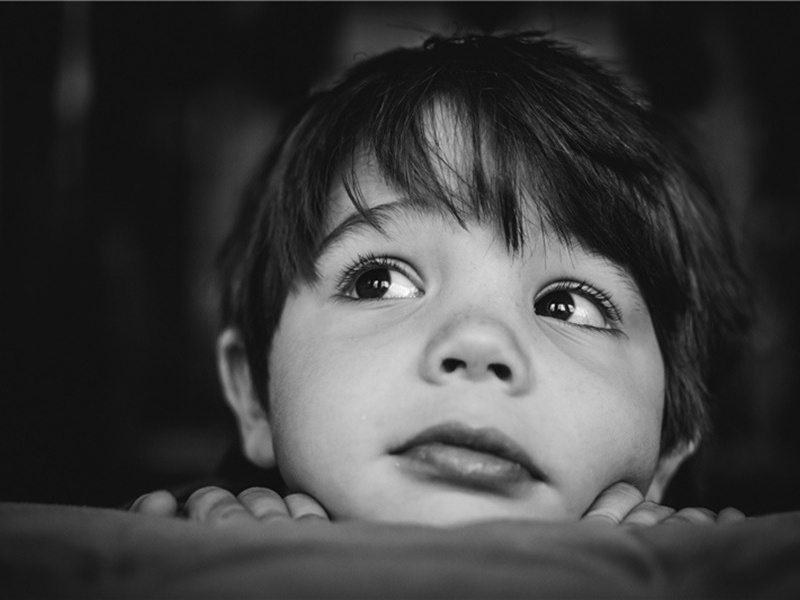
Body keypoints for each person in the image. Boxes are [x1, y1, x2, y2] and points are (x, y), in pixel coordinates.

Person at [131, 31, 749, 527]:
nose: (478, 343)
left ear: (671, 442)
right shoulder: (179, 556)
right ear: (253, 394)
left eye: (567, 304)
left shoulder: (722, 576)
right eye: (380, 281)